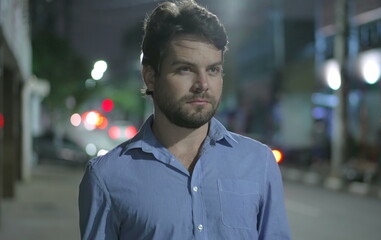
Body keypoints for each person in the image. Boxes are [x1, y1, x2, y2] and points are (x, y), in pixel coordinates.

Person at [78, 0, 291, 239]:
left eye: (213, 70)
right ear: (150, 76)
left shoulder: (258, 163)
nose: (203, 85)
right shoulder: (108, 176)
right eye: (185, 69)